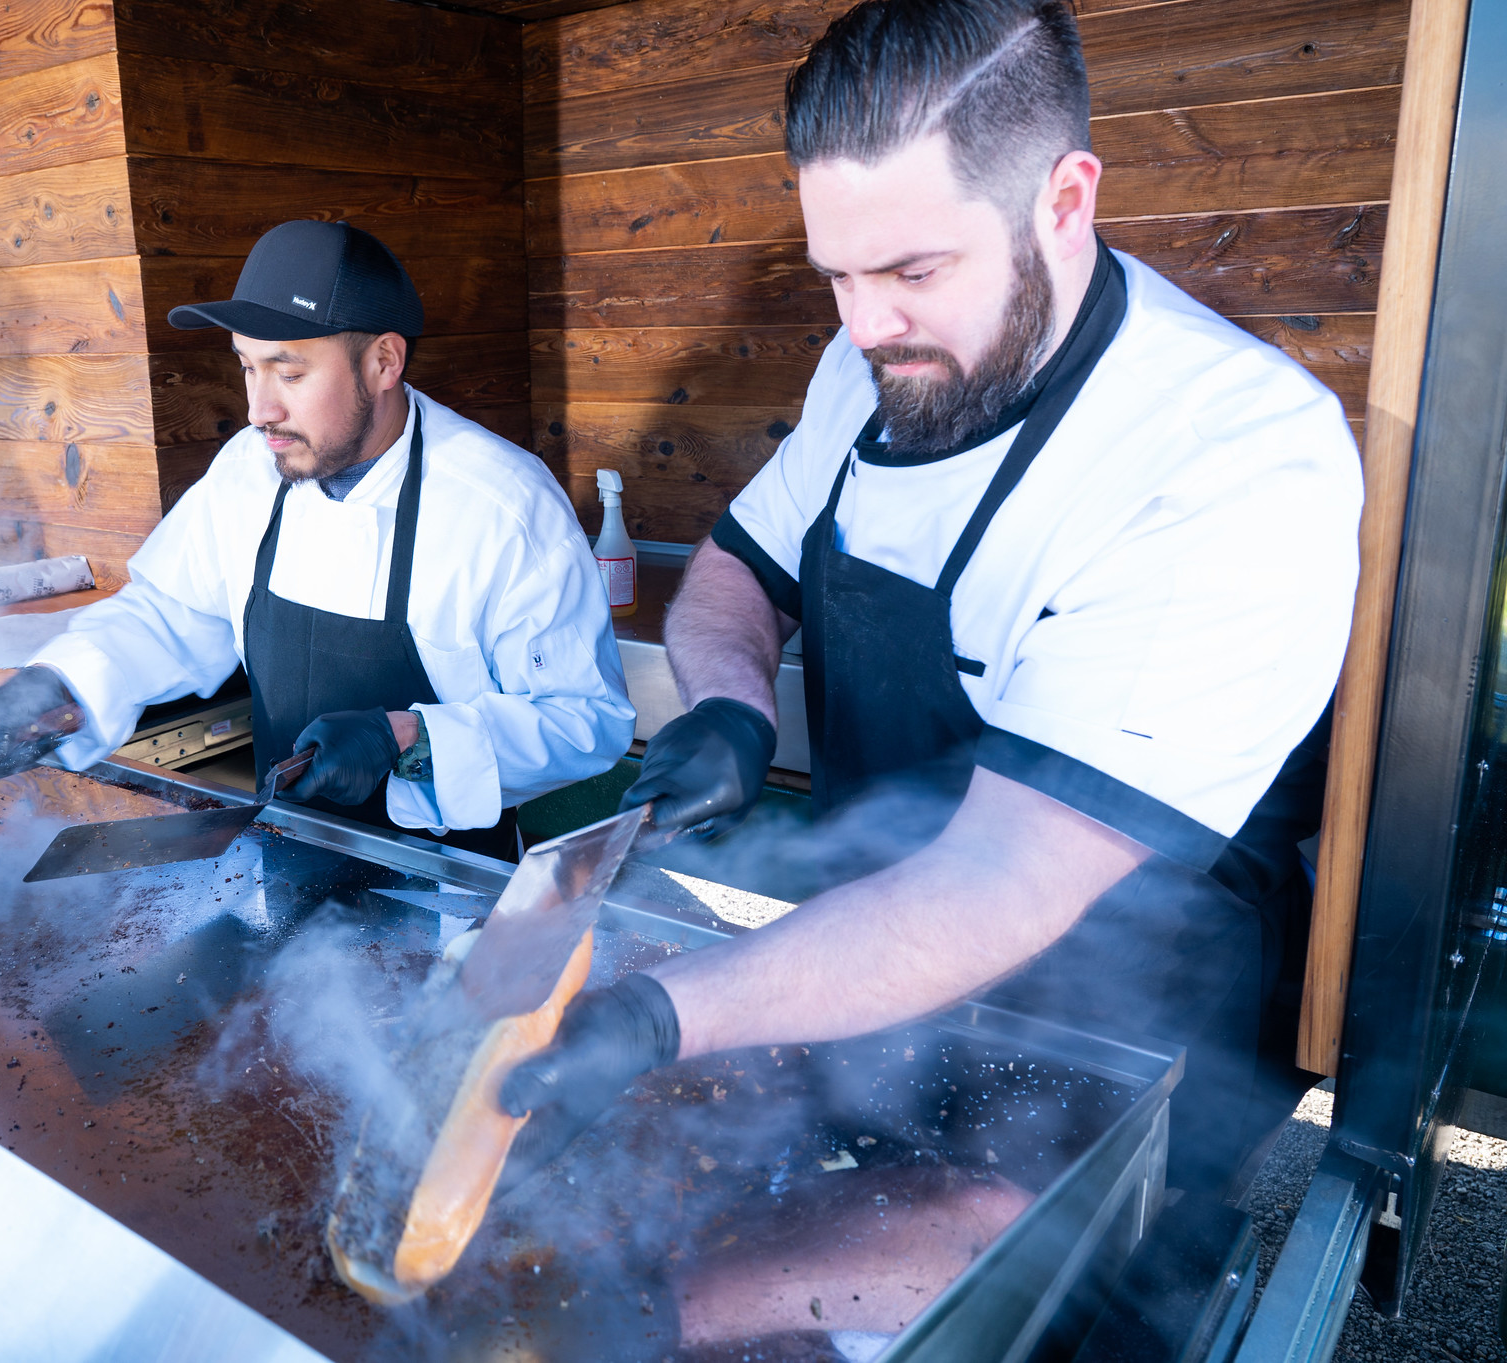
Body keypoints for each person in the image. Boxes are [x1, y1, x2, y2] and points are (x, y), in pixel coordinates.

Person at [501, 0, 1360, 1232]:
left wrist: (660, 1013)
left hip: (1117, 1063)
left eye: (910, 270)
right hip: (878, 995)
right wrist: (735, 705)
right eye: (837, 275)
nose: (862, 325)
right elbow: (739, 571)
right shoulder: (867, 367)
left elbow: (1006, 877)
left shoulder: (1225, 453)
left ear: (1062, 201)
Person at [0, 220, 634, 857]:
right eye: (248, 368)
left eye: (290, 372)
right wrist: (54, 682)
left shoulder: (503, 506)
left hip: (453, 896)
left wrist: (407, 739)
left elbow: (586, 720)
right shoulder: (251, 468)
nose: (259, 409)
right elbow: (174, 613)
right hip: (284, 859)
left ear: (384, 362)